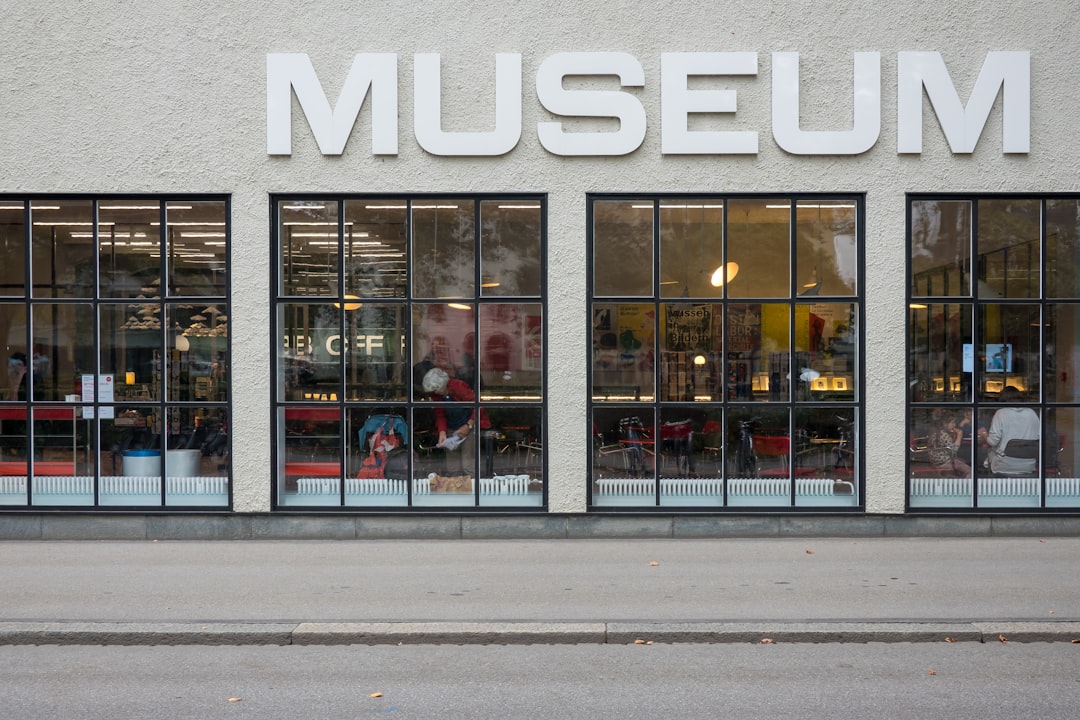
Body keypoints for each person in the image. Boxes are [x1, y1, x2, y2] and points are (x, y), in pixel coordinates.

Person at [421, 366, 489, 476]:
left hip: (469, 425)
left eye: (434, 390)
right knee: (452, 466)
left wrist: (468, 425)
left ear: (440, 386)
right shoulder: (436, 395)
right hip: (451, 427)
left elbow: (479, 405)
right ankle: (454, 489)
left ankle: (473, 488)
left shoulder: (458, 386)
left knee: (468, 463)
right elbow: (440, 414)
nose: (433, 394)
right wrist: (442, 432)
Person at [978, 386, 1040, 475]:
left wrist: (984, 433)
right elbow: (1039, 437)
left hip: (1004, 464)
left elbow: (993, 442)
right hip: (1028, 464)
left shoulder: (1001, 413)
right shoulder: (1032, 413)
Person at [927, 409, 970, 477]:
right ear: (945, 423)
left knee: (962, 461)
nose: (954, 425)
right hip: (945, 463)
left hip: (936, 462)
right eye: (952, 423)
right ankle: (966, 486)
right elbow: (953, 451)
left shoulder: (935, 433)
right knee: (969, 471)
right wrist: (959, 437)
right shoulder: (945, 435)